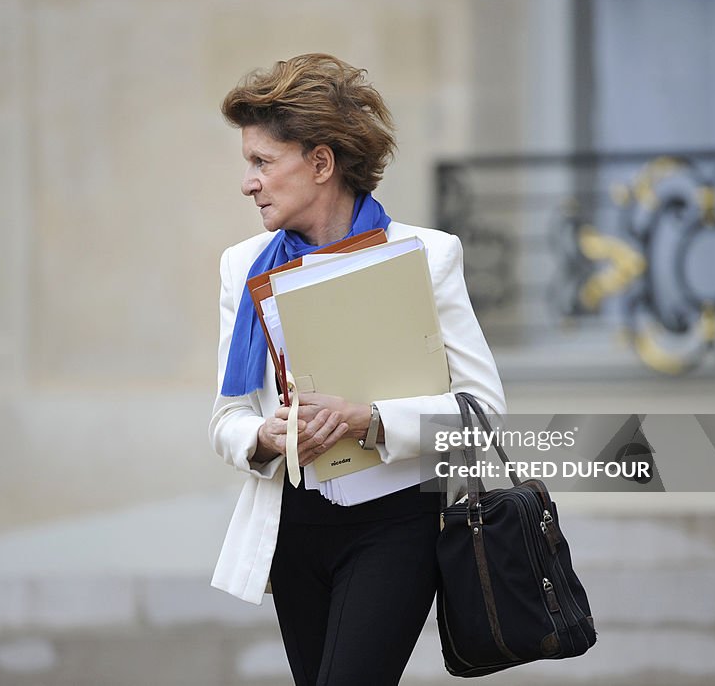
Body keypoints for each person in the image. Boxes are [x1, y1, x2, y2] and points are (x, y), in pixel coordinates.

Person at [209, 53, 506, 686]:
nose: (248, 182)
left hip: (395, 525)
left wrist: (370, 421)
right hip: (291, 528)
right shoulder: (243, 267)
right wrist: (263, 435)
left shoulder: (426, 256)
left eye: (262, 162)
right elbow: (227, 417)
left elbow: (482, 415)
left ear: (320, 163)